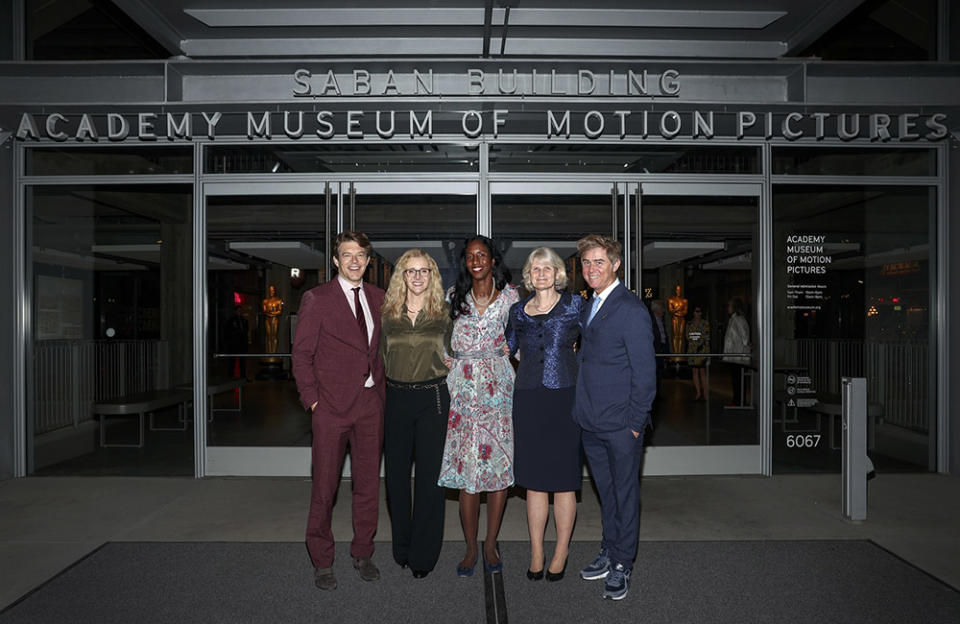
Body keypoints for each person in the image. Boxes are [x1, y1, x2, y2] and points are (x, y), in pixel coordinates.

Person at [291, 231, 385, 591]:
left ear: (367, 259)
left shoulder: (379, 298)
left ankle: (363, 552)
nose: (355, 261)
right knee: (325, 487)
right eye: (347, 255)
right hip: (330, 407)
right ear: (336, 260)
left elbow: (380, 351)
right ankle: (322, 559)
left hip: (370, 405)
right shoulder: (318, 299)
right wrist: (313, 400)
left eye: (360, 255)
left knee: (367, 486)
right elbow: (301, 355)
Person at [573, 234, 656, 601]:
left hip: (622, 426)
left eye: (599, 262)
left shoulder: (631, 309)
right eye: (586, 263)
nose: (591, 269)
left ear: (616, 264)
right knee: (606, 493)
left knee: (624, 494)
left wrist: (635, 423)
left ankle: (623, 562)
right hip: (590, 421)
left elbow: (646, 376)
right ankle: (609, 549)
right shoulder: (589, 304)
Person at [438, 235, 519, 577]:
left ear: (493, 260)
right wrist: (444, 362)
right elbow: (438, 336)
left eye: (481, 255)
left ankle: (490, 544)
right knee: (467, 475)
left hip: (498, 393)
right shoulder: (454, 297)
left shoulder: (512, 298)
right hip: (464, 394)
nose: (475, 260)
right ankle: (471, 547)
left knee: (497, 473)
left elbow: (522, 340)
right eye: (470, 256)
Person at [505, 247, 584, 583]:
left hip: (565, 398)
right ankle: (536, 550)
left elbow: (595, 343)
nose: (541, 273)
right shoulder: (516, 311)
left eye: (547, 268)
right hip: (528, 400)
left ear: (558, 273)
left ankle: (561, 549)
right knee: (535, 483)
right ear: (528, 274)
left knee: (564, 482)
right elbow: (505, 350)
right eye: (535, 268)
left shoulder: (576, 306)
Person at [379, 249, 452, 579]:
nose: (418, 276)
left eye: (424, 271)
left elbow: (460, 353)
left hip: (432, 399)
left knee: (429, 481)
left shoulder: (446, 314)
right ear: (402, 277)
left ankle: (424, 555)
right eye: (411, 271)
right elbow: (378, 357)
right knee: (395, 479)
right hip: (395, 398)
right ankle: (402, 546)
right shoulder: (387, 314)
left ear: (432, 276)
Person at [722, 297, 751, 406]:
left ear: (735, 307)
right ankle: (737, 400)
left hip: (738, 355)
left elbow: (744, 335)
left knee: (738, 379)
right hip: (734, 354)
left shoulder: (738, 319)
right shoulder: (733, 319)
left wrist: (746, 344)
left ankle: (739, 401)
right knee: (736, 379)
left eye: (729, 305)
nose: (727, 308)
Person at [685, 306, 710, 401]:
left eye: (699, 311)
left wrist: (707, 351)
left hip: (702, 350)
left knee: (702, 372)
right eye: (696, 311)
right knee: (694, 371)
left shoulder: (705, 323)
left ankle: (705, 393)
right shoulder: (689, 323)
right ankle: (698, 393)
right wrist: (695, 340)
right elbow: (687, 336)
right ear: (693, 312)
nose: (698, 313)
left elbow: (707, 337)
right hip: (692, 350)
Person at [649, 299, 670, 396]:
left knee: (660, 371)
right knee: (655, 372)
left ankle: (658, 392)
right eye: (662, 308)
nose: (664, 311)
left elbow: (664, 335)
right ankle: (654, 393)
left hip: (661, 348)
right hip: (654, 350)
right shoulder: (650, 321)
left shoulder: (661, 321)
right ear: (657, 309)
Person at [223, 305, 249, 378]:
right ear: (235, 311)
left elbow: (245, 332)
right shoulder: (231, 321)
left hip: (242, 345)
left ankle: (243, 377)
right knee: (232, 361)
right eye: (238, 310)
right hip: (233, 344)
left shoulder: (245, 321)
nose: (240, 312)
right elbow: (228, 332)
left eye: (241, 310)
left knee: (242, 362)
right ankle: (230, 377)